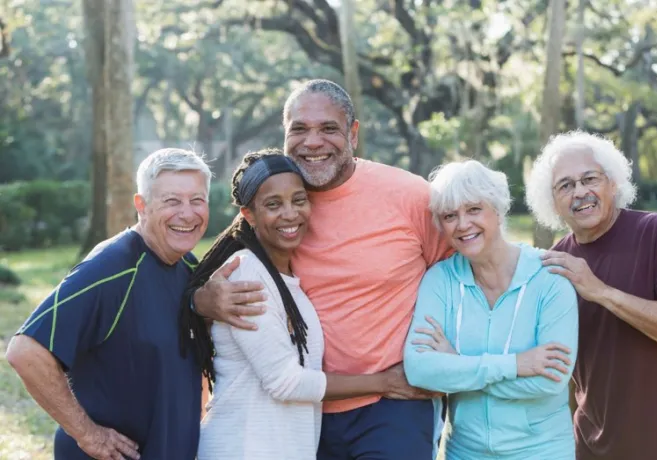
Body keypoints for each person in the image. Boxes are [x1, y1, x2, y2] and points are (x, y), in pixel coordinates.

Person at [190, 79, 452, 459]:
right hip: (305, 414)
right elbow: (214, 270)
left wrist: (453, 354)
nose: (312, 142)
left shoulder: (410, 197)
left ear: (353, 133)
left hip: (395, 401)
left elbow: (464, 271)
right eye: (299, 129)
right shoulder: (278, 201)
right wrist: (201, 300)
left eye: (328, 128)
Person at [525, 130, 657, 460]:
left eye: (590, 178)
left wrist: (601, 292)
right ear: (554, 203)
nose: (580, 192)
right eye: (565, 185)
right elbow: (566, 367)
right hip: (596, 445)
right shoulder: (556, 263)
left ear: (613, 183)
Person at [6, 148, 211, 459]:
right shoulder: (112, 269)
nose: (187, 213)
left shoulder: (190, 268)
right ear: (141, 206)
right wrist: (88, 434)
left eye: (197, 200)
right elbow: (26, 352)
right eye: (171, 201)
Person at [403, 160, 578, 460]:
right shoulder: (439, 281)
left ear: (497, 210)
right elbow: (419, 370)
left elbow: (551, 378)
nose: (462, 224)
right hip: (464, 452)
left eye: (473, 209)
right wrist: (514, 364)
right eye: (450, 215)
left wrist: (458, 365)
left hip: (542, 451)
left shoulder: (549, 278)